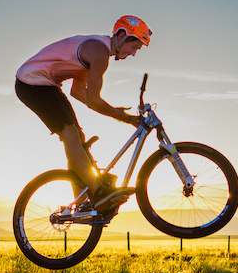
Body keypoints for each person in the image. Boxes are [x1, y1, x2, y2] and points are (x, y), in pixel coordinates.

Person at [15, 15, 152, 211]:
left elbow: (78, 92)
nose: (133, 53)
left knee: (77, 137)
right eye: (134, 47)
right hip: (31, 82)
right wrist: (126, 118)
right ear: (122, 36)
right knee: (70, 133)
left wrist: (116, 112)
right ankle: (99, 193)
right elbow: (94, 100)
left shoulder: (97, 51)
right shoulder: (99, 53)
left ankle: (81, 203)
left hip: (47, 84)